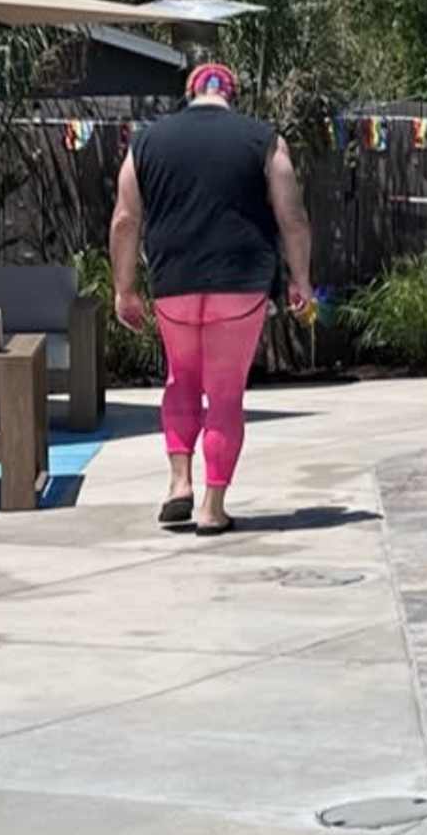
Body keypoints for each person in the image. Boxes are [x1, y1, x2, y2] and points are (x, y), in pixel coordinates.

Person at [110, 62, 311, 535]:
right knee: (224, 392)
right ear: (232, 94)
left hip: (174, 282)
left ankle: (179, 483)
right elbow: (293, 216)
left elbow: (124, 219)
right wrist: (300, 278)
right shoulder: (264, 140)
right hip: (240, 283)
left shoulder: (147, 142)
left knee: (182, 379)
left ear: (188, 93)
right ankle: (212, 507)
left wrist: (124, 288)